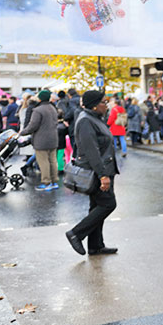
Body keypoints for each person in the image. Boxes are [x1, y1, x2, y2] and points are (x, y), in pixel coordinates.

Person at [65, 91, 119, 256]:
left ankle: (96, 245)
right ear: (95, 105)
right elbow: (91, 151)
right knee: (108, 204)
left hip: (103, 169)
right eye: (104, 102)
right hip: (97, 171)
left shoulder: (94, 118)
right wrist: (103, 175)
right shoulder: (86, 121)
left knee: (96, 206)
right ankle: (76, 233)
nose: (107, 104)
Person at [20, 90, 59, 191]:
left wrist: (22, 132)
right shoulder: (53, 108)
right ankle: (54, 181)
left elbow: (33, 125)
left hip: (41, 139)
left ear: (40, 98)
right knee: (53, 160)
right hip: (53, 138)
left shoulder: (38, 110)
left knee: (43, 161)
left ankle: (46, 182)